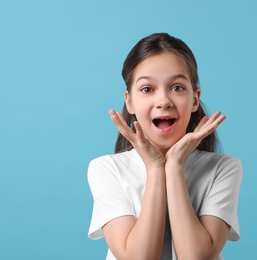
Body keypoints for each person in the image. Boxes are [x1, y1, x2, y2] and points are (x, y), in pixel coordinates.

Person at [87, 33, 242, 260]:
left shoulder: (223, 168)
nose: (164, 101)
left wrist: (175, 167)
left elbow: (196, 257)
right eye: (147, 89)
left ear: (195, 99)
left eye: (177, 88)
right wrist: (155, 167)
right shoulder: (106, 169)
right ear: (129, 101)